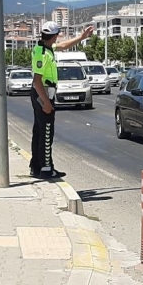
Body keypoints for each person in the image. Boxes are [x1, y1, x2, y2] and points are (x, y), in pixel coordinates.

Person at [29, 21, 94, 179]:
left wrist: (81, 37)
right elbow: (37, 80)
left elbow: (64, 46)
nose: (58, 38)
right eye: (57, 35)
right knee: (46, 132)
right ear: (54, 36)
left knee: (39, 131)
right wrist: (46, 103)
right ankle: (45, 168)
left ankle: (36, 166)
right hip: (43, 93)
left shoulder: (45, 48)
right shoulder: (42, 54)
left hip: (44, 92)